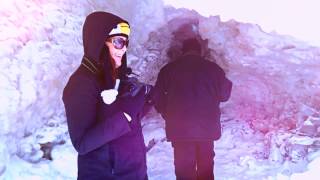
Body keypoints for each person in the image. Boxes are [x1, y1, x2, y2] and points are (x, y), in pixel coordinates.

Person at [62, 11, 150, 180]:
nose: (124, 48)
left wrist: (145, 100)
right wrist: (125, 116)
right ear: (99, 42)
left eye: (126, 42)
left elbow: (117, 120)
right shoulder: (81, 83)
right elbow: (83, 143)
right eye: (118, 42)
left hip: (132, 172)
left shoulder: (113, 77)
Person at [152, 38, 232, 180]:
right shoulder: (214, 69)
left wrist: (167, 113)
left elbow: (156, 96)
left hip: (180, 129)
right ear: (200, 51)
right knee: (206, 170)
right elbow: (225, 95)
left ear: (183, 51)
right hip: (206, 128)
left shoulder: (168, 69)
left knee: (184, 170)